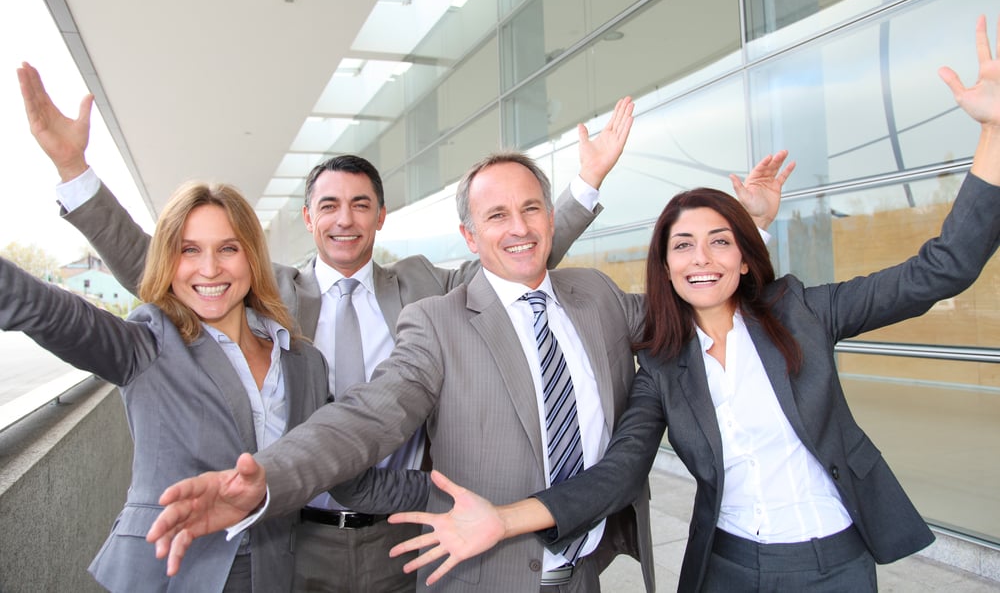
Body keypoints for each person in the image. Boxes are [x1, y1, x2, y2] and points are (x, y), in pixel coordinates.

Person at [380, 13, 1000, 592]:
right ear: (665, 267)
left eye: (720, 242)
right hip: (724, 566)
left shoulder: (802, 312)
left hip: (834, 561)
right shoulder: (663, 364)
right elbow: (617, 473)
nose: (701, 258)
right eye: (683, 246)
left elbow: (940, 272)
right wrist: (504, 521)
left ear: (743, 253)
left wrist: (994, 136)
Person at [17, 62, 634, 593]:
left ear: (381, 217)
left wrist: (583, 188)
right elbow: (156, 265)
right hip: (297, 536)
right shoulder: (271, 294)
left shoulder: (426, 285)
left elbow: (514, 259)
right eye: (330, 206)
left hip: (403, 531)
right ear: (309, 218)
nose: (346, 220)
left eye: (361, 204)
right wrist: (76, 173)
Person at [142, 145, 791, 592]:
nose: (520, 227)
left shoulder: (595, 296)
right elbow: (366, 416)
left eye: (532, 208)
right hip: (477, 571)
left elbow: (696, 295)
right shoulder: (435, 318)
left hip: (586, 569)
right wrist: (267, 479)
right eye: (497, 215)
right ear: (469, 237)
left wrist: (747, 229)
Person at [0, 181, 341, 591]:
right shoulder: (148, 344)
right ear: (167, 260)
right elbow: (47, 311)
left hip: (269, 574)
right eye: (189, 249)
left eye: (228, 248)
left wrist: (428, 493)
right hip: (166, 576)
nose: (210, 268)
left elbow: (336, 462)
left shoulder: (305, 362)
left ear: (252, 256)